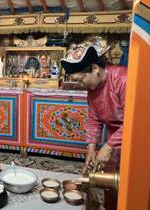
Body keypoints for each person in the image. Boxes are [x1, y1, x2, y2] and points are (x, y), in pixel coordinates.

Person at [61, 41, 127, 210]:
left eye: (79, 79)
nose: (79, 85)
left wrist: (109, 146)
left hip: (133, 135)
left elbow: (136, 121)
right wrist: (91, 148)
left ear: (95, 69)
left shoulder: (123, 79)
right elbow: (94, 119)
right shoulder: (92, 88)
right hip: (113, 135)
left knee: (129, 184)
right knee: (111, 182)